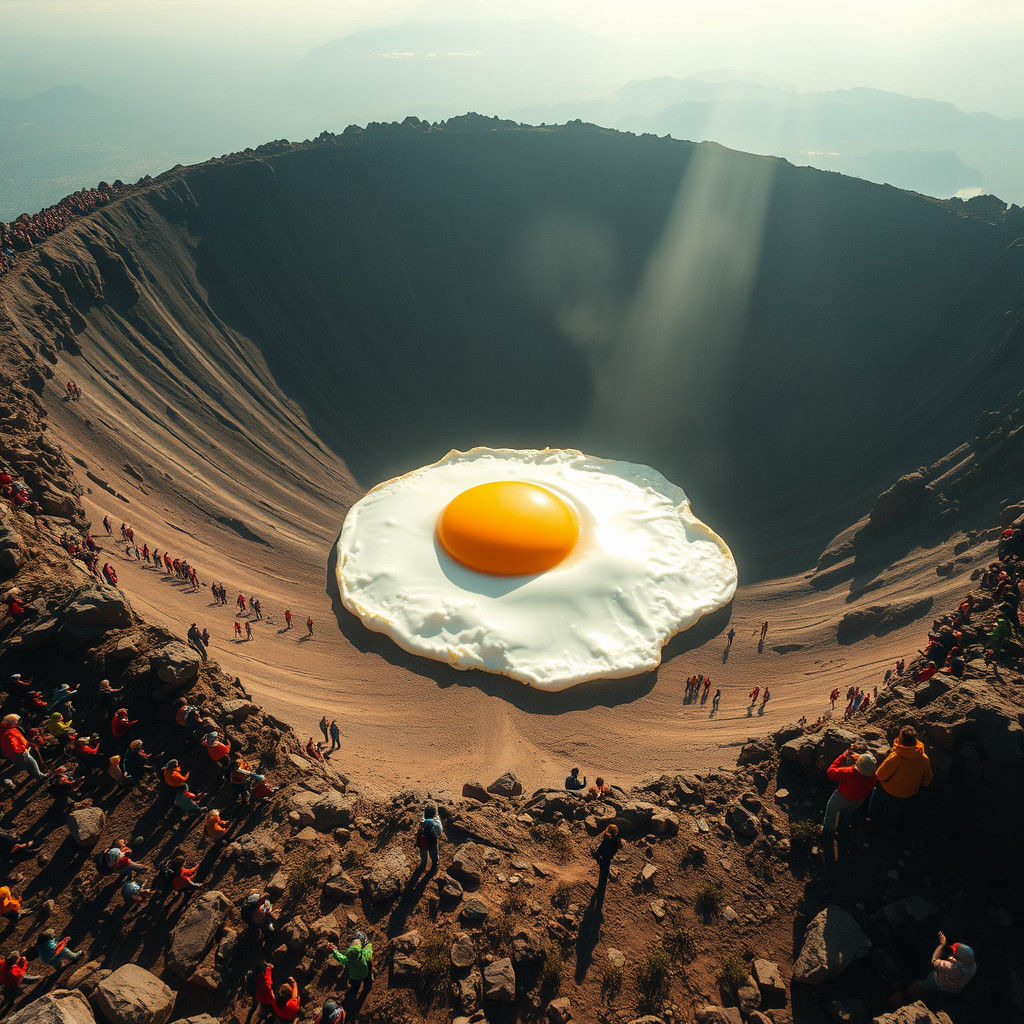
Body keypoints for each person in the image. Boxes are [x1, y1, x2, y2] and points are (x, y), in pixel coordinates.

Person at [868, 726, 933, 825]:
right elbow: (928, 778)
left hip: (888, 789)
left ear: (901, 739)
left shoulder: (896, 757)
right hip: (907, 792)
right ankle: (887, 829)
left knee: (875, 805)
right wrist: (923, 787)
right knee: (893, 812)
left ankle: (874, 824)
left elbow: (881, 775)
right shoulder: (924, 758)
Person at [821, 748, 876, 837]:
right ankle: (843, 828)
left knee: (831, 809)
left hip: (842, 796)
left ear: (857, 765)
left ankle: (827, 831)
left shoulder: (848, 772)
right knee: (847, 812)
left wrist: (842, 756)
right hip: (858, 800)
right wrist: (859, 757)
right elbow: (866, 767)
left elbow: (830, 772)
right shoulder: (874, 777)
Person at [904, 932, 977, 998]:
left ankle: (906, 995)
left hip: (938, 982)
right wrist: (953, 959)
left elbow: (934, 961)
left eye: (954, 954)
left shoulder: (950, 967)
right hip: (954, 987)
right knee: (928, 991)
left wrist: (941, 945)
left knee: (918, 985)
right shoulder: (973, 965)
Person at [0, 713, 47, 780]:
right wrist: (23, 749)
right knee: (28, 764)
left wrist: (26, 743)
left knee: (30, 763)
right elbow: (13, 746)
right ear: (12, 722)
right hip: (20, 753)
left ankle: (38, 775)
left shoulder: (8, 729)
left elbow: (19, 739)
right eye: (16, 722)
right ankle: (39, 776)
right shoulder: (8, 733)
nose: (18, 723)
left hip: (20, 752)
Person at [331, 934, 374, 999]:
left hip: (354, 977)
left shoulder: (347, 961)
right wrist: (369, 945)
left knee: (355, 986)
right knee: (368, 979)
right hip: (365, 973)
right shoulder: (363, 955)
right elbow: (369, 950)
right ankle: (368, 986)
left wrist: (334, 950)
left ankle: (353, 993)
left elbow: (340, 958)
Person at [414, 804, 444, 873]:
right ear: (434, 814)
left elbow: (418, 832)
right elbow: (439, 834)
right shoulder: (435, 823)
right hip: (432, 842)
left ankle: (423, 864)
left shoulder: (422, 822)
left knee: (423, 855)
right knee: (434, 855)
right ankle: (434, 865)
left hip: (422, 842)